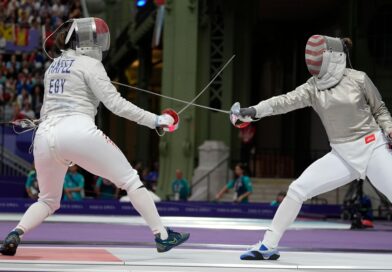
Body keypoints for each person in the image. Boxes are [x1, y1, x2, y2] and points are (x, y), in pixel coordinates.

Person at [0, 17, 189, 256]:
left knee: (47, 200)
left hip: (44, 137)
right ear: (79, 41)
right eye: (92, 38)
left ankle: (15, 233)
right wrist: (156, 120)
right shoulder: (90, 65)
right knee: (130, 180)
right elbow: (116, 104)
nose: (97, 43)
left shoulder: (53, 67)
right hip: (77, 131)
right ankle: (162, 235)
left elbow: (49, 108)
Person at [237, 35, 392, 260]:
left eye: (316, 55)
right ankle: (268, 246)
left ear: (332, 56)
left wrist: (389, 128)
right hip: (341, 155)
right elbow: (284, 101)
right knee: (297, 189)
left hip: (372, 147)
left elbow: (380, 110)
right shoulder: (313, 88)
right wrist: (254, 111)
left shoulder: (359, 79)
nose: (311, 60)